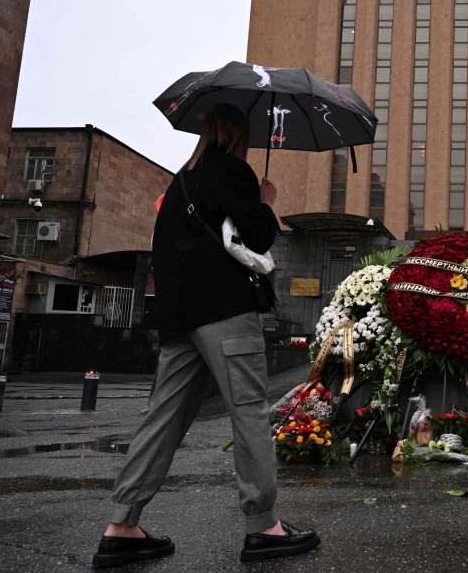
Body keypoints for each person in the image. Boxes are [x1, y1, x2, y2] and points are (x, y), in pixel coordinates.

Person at [92, 103, 320, 567]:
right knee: (250, 411)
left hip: (180, 321)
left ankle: (122, 524)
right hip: (226, 312)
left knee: (165, 417)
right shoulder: (231, 171)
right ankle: (264, 526)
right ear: (238, 136)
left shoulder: (182, 181)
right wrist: (265, 200)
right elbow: (256, 237)